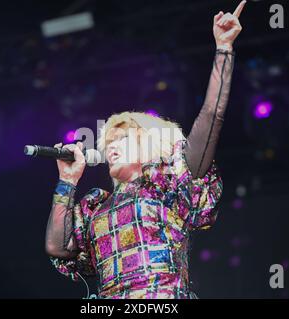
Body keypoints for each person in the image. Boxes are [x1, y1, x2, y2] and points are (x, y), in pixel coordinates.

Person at [45, 0, 246, 299]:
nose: (111, 146)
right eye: (108, 142)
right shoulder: (96, 207)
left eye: (122, 139)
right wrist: (68, 181)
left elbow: (211, 116)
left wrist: (224, 49)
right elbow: (58, 247)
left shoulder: (168, 186)